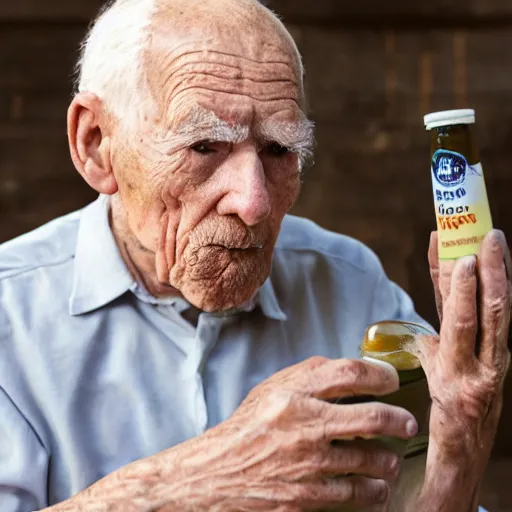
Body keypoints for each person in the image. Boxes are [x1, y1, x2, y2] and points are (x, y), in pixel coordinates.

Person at [0, 0, 509, 510]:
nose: (254, 202)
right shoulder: (11, 318)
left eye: (278, 150)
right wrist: (197, 479)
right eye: (204, 146)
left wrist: (459, 448)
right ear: (95, 144)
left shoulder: (351, 286)